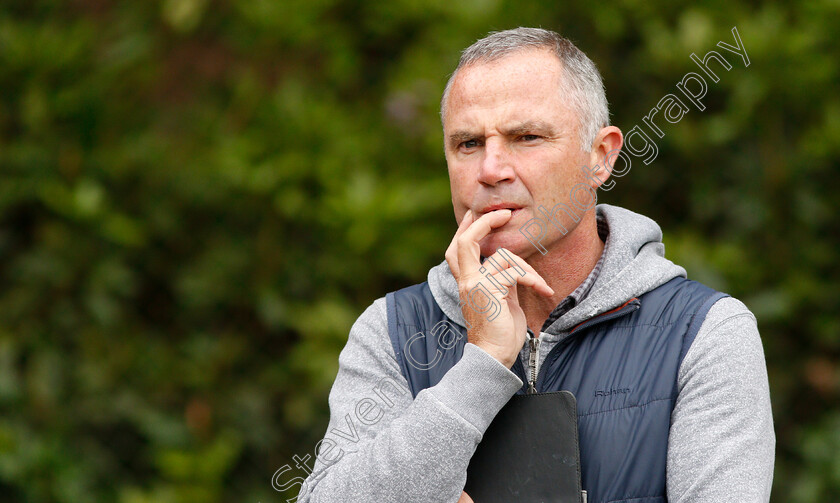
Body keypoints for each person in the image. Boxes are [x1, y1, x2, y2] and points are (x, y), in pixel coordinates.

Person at [295, 27, 775, 503]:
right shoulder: (392, 331)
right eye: (468, 144)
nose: (490, 169)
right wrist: (482, 365)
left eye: (526, 137)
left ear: (601, 157)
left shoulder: (705, 334)